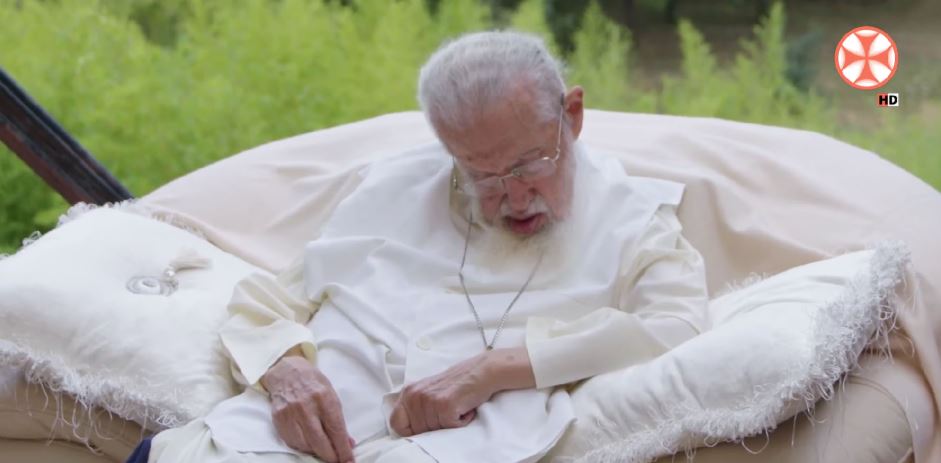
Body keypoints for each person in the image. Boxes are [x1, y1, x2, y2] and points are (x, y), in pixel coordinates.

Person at [135, 30, 709, 463]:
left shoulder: (633, 217)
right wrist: (285, 372)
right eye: (483, 176)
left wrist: (495, 369)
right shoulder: (392, 185)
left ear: (572, 116)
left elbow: (677, 323)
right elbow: (268, 304)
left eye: (529, 165)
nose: (513, 198)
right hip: (263, 443)